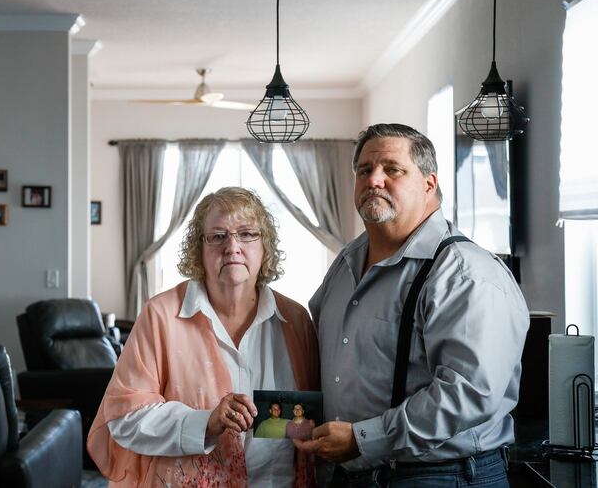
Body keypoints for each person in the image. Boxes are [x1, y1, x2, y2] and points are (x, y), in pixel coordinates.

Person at [294, 124, 529, 487]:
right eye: (364, 170)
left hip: (442, 476)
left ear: (429, 184)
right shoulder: (344, 264)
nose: (374, 179)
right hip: (348, 475)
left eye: (392, 169)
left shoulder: (464, 273)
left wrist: (361, 439)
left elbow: (467, 394)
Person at [88, 186, 319, 487]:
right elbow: (123, 419)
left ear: (266, 247)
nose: (232, 247)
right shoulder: (160, 315)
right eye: (218, 236)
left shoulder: (296, 319)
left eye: (247, 234)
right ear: (200, 248)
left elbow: (311, 418)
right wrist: (206, 423)